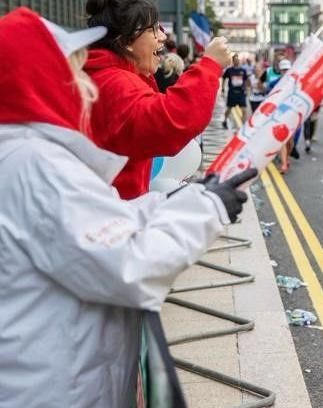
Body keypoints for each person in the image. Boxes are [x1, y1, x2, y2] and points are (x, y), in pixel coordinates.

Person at [0, 8, 257, 406]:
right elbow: (131, 263)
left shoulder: (25, 156)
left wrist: (188, 199)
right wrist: (207, 208)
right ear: (38, 77)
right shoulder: (36, 166)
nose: (80, 80)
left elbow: (107, 219)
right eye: (68, 67)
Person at [83, 0, 232, 199]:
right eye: (154, 29)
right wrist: (209, 65)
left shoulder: (106, 75)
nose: (162, 36)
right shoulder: (115, 82)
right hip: (115, 214)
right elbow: (172, 120)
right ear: (127, 41)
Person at [221, 54, 250, 129]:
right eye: (235, 60)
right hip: (232, 92)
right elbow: (224, 78)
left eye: (238, 60)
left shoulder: (243, 70)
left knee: (244, 109)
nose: (237, 61)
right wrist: (223, 88)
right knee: (229, 108)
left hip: (241, 92)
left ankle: (243, 125)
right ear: (233, 61)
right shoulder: (229, 70)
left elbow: (246, 80)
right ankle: (224, 120)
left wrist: (247, 89)